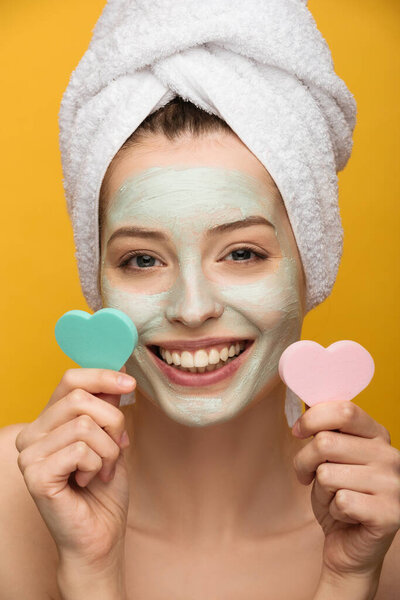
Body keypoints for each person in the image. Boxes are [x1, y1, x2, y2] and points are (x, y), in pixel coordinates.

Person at [2, 2, 400, 599]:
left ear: (310, 262)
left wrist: (350, 581)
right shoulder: (7, 499)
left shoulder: (385, 524)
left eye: (242, 253)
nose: (191, 309)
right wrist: (88, 572)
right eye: (143, 259)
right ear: (100, 281)